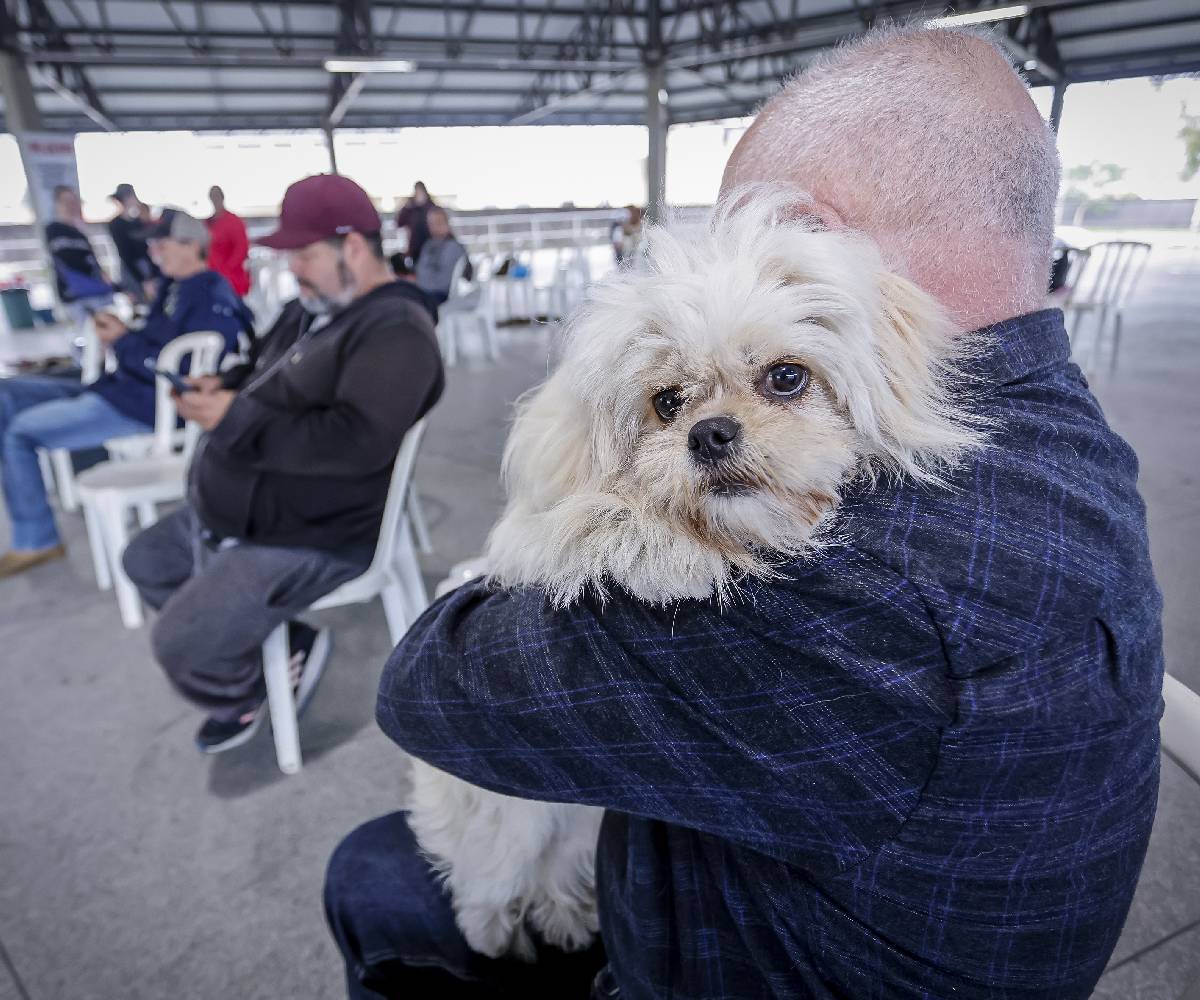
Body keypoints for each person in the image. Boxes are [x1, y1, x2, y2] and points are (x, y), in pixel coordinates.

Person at [323, 26, 1164, 1000]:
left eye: (782, 378)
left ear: (811, 234)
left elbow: (429, 685)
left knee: (372, 877)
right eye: (676, 403)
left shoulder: (860, 580)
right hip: (852, 882)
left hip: (723, 959)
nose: (716, 427)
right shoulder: (1058, 425)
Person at [122, 174, 444, 755]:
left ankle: (242, 690)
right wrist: (222, 384)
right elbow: (260, 368)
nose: (293, 268)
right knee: (144, 561)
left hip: (312, 533)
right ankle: (290, 644)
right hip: (243, 508)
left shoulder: (397, 331)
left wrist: (233, 421)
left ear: (352, 246)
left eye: (304, 254)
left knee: (181, 645)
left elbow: (355, 443)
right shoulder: (310, 309)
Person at [0, 208, 251, 578]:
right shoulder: (173, 288)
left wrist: (123, 339)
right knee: (8, 394)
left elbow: (177, 371)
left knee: (18, 431)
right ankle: (33, 512)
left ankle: (36, 537)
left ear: (190, 245)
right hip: (121, 387)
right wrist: (123, 337)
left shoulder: (209, 295)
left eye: (161, 244)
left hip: (142, 403)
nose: (154, 252)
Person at [46, 185, 114, 326]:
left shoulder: (79, 232)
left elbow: (92, 259)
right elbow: (69, 259)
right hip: (76, 293)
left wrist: (102, 275)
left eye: (73, 202)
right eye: (66, 201)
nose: (71, 206)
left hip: (95, 290)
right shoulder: (54, 229)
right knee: (90, 334)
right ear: (57, 204)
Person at [107, 182, 160, 303]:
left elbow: (147, 249)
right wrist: (143, 280)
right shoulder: (116, 224)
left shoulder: (138, 222)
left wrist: (151, 274)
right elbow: (125, 254)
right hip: (133, 272)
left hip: (147, 269)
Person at [413, 207, 470, 305]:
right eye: (431, 223)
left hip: (438, 296)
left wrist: (417, 282)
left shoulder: (452, 247)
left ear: (447, 223)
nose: (434, 227)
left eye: (438, 222)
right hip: (425, 292)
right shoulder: (429, 244)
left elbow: (444, 283)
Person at [205, 185, 251, 297]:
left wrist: (226, 269)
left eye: (217, 196)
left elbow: (242, 249)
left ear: (222, 197)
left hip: (232, 280)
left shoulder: (234, 221)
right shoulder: (207, 223)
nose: (215, 199)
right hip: (211, 280)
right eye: (212, 196)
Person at [395, 181, 435, 268]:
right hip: (415, 247)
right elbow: (399, 223)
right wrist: (406, 207)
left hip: (430, 245)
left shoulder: (431, 207)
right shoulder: (411, 208)